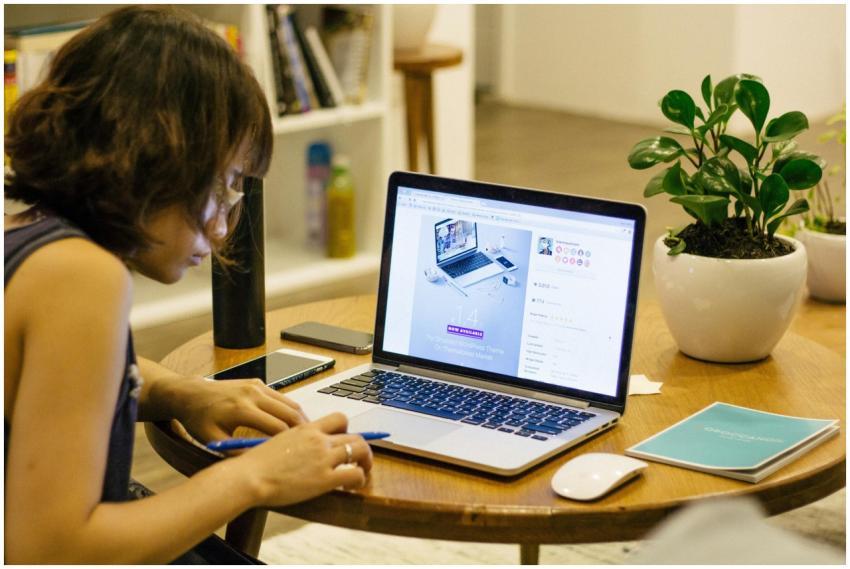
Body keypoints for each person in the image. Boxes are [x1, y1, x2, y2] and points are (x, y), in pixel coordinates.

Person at [4, 6, 372, 563]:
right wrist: (257, 476)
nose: (224, 227)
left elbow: (56, 380)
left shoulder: (24, 229)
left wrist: (182, 391)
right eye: (221, 186)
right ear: (158, 157)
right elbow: (49, 548)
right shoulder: (82, 277)